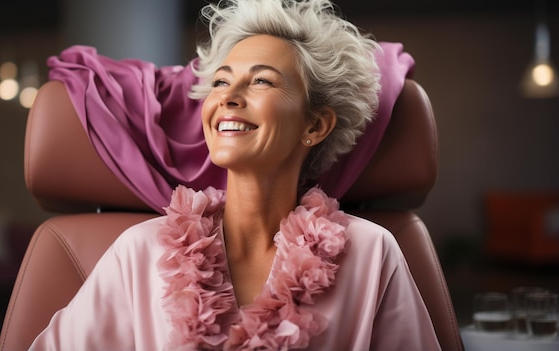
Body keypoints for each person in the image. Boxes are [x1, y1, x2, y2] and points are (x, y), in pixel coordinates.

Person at [30, 0, 441, 350]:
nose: (227, 95)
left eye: (261, 80)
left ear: (315, 126)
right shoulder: (138, 251)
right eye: (221, 81)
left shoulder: (372, 252)